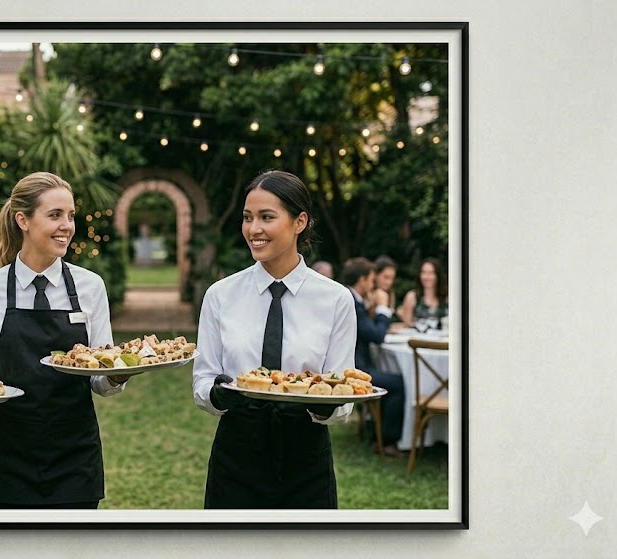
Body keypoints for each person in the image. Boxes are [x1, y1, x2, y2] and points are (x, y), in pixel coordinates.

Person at [0, 171, 129, 509]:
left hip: (74, 452)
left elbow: (101, 377)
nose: (67, 225)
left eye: (70, 215)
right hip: (9, 455)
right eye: (55, 215)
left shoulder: (90, 287)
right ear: (22, 220)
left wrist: (119, 373)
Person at [192, 170, 357, 509]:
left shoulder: (336, 299)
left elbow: (344, 393)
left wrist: (320, 402)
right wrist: (220, 394)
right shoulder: (220, 295)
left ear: (299, 221)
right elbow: (203, 384)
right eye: (248, 218)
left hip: (306, 454)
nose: (254, 229)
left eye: (267, 217)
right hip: (236, 451)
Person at [342, 257, 406, 458]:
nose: (372, 284)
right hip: (356, 370)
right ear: (362, 280)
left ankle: (375, 432)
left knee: (392, 380)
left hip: (357, 364)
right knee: (399, 384)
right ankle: (386, 441)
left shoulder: (352, 299)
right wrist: (382, 308)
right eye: (371, 279)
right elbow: (377, 336)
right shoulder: (352, 302)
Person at [397, 257, 449, 327]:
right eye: (423, 272)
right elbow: (407, 325)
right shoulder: (412, 297)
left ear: (438, 275)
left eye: (431, 273)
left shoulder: (447, 297)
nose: (426, 277)